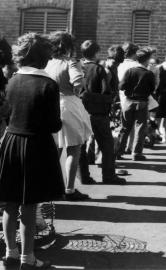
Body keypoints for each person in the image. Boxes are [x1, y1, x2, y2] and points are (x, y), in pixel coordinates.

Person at [0, 32, 64, 269]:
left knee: (9, 203)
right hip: (36, 146)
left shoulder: (13, 80)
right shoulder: (48, 84)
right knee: (29, 206)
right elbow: (53, 124)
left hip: (11, 142)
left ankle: (10, 255)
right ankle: (28, 259)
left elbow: (7, 114)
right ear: (45, 57)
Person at [45, 31, 92, 200]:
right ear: (68, 46)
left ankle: (50, 188)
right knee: (74, 149)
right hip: (68, 104)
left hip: (51, 105)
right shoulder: (70, 62)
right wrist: (80, 84)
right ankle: (70, 189)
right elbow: (78, 82)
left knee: (54, 149)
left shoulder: (48, 63)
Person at [80, 40, 126, 184]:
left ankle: (84, 176)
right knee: (106, 145)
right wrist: (111, 98)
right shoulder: (99, 69)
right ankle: (108, 176)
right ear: (97, 52)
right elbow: (106, 94)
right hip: (98, 113)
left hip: (79, 112)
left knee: (80, 146)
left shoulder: (76, 66)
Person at [116, 47, 155, 161]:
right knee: (140, 128)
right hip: (142, 102)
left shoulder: (130, 71)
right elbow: (152, 89)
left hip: (128, 101)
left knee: (125, 127)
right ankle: (136, 153)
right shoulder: (148, 73)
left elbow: (121, 86)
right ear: (147, 60)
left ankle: (118, 151)